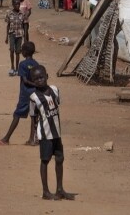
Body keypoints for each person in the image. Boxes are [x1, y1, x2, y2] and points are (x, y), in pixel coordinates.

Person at [29, 65, 75, 201]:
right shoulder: (34, 97)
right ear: (32, 81)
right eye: (36, 79)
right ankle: (45, 191)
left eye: (41, 77)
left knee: (60, 159)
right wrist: (33, 136)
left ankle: (60, 189)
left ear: (47, 76)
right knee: (45, 160)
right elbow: (33, 117)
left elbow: (56, 105)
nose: (39, 81)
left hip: (57, 133)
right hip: (45, 135)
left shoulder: (55, 90)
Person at [0, 41, 40, 147]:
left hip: (25, 94)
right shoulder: (36, 64)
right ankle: (32, 139)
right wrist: (36, 85)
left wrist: (31, 84)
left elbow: (25, 80)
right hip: (35, 93)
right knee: (33, 116)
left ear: (24, 52)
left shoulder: (22, 64)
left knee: (17, 115)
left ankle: (6, 138)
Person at [6, 0, 26, 75]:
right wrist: (6, 37)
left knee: (17, 52)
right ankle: (12, 67)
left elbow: (24, 25)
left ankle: (17, 69)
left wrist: (25, 37)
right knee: (11, 50)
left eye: (18, 4)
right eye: (16, 4)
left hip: (19, 35)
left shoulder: (22, 14)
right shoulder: (9, 14)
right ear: (13, 5)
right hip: (12, 34)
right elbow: (8, 25)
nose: (18, 5)